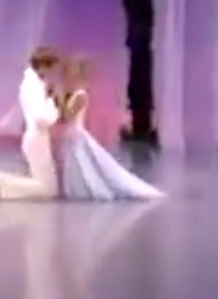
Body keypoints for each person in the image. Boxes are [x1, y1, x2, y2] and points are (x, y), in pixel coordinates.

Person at [59, 57, 164, 200]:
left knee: (83, 161)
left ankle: (88, 188)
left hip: (76, 133)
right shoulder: (75, 94)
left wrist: (59, 102)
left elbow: (68, 116)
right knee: (79, 162)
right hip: (72, 133)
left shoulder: (80, 95)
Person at [0, 47, 61, 200]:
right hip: (37, 137)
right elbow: (42, 117)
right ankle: (1, 179)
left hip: (36, 136)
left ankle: (4, 185)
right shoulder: (34, 86)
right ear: (44, 66)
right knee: (48, 189)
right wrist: (53, 105)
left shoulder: (33, 83)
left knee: (47, 186)